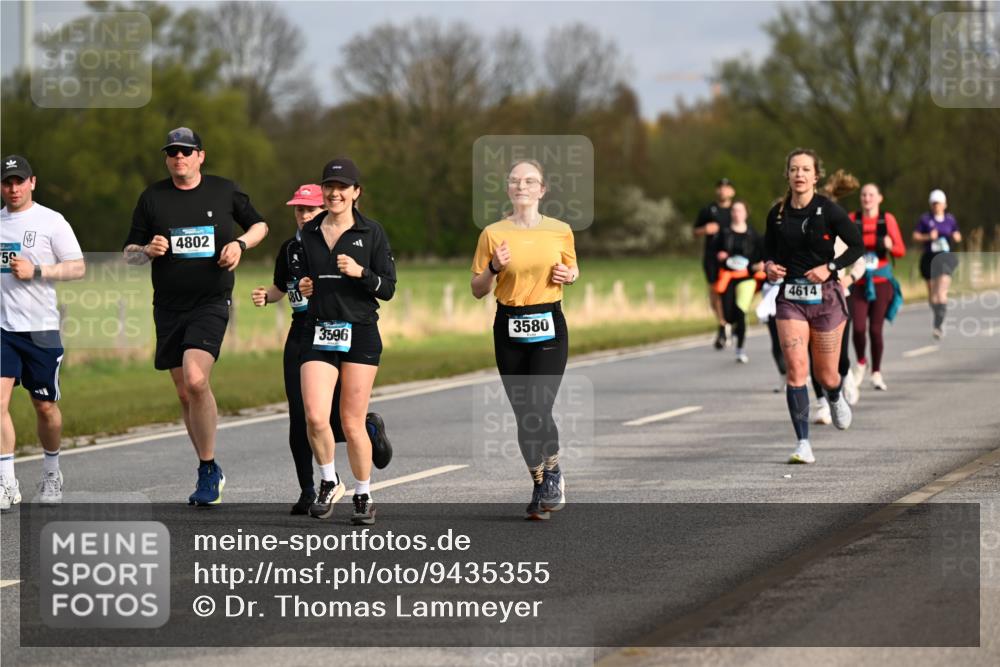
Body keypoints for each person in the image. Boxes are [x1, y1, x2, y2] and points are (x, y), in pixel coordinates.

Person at [122, 128, 268, 505]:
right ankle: (210, 466)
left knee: (196, 379)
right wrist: (147, 249)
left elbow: (260, 225)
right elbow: (129, 253)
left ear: (200, 156)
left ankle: (206, 467)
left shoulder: (223, 190)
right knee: (185, 392)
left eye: (186, 151)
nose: (179, 158)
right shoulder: (152, 197)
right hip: (168, 307)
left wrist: (238, 245)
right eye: (172, 152)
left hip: (211, 302)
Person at [251, 184, 392, 515]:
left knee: (344, 416)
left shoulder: (345, 237)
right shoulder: (290, 249)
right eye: (299, 210)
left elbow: (379, 284)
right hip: (305, 331)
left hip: (347, 328)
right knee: (304, 414)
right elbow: (283, 286)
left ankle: (368, 438)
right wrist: (268, 296)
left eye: (310, 209)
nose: (304, 216)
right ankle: (310, 488)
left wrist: (346, 278)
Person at [471, 159, 578, 520]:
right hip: (509, 325)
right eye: (515, 181)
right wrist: (493, 268)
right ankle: (539, 483)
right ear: (508, 188)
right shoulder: (492, 233)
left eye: (530, 181)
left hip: (549, 322)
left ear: (542, 189)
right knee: (523, 413)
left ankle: (554, 472)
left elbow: (572, 268)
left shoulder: (560, 230)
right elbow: (477, 289)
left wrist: (571, 274)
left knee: (538, 405)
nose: (522, 186)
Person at [295, 158, 396, 524]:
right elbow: (306, 279)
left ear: (356, 192)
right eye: (329, 186)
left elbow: (388, 288)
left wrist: (361, 273)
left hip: (360, 331)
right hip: (319, 329)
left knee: (351, 421)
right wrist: (305, 286)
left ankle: (364, 495)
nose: (334, 193)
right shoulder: (308, 232)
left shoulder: (372, 233)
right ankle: (326, 481)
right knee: (314, 416)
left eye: (342, 187)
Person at [764, 149, 864, 465]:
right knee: (797, 371)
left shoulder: (829, 210)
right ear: (788, 175)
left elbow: (857, 245)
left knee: (826, 374)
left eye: (806, 169)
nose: (799, 174)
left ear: (816, 176)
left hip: (827, 299)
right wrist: (769, 266)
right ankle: (802, 443)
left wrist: (830, 267)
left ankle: (834, 395)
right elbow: (768, 250)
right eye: (794, 169)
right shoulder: (777, 213)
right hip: (791, 298)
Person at [1, 155, 85, 510]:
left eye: (20, 181)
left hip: (41, 331)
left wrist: (37, 271)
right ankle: (6, 482)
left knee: (45, 406)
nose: (14, 188)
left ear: (32, 183)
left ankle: (52, 470)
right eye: (7, 182)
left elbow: (77, 267)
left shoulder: (52, 221)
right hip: (3, 328)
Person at [849, 183, 905, 391]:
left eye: (871, 195)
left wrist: (891, 245)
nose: (867, 198)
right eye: (863, 195)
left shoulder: (887, 220)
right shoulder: (852, 219)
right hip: (859, 280)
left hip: (881, 282)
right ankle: (861, 362)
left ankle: (876, 373)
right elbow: (838, 244)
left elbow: (901, 251)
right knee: (858, 328)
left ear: (879, 198)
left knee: (875, 329)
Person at [710, 199, 763, 363]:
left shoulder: (753, 234)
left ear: (746, 213)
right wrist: (720, 255)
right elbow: (714, 252)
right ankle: (732, 328)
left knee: (741, 310)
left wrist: (757, 264)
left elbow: (761, 253)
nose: (737, 213)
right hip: (728, 275)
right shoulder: (724, 233)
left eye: (740, 210)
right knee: (728, 314)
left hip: (747, 277)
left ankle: (740, 348)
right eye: (734, 210)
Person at [693, 178, 735, 349]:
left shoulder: (736, 211)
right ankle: (723, 324)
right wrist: (704, 230)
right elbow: (695, 231)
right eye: (720, 188)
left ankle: (731, 322)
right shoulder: (708, 210)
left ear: (732, 191)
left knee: (730, 294)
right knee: (714, 291)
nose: (722, 191)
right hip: (711, 257)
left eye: (726, 188)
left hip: (733, 259)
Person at [914, 189, 961, 340]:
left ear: (945, 204)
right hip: (929, 258)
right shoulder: (925, 219)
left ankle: (938, 326)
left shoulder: (950, 219)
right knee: (932, 296)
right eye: (934, 204)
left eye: (939, 203)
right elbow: (915, 235)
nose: (936, 206)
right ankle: (938, 316)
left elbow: (957, 235)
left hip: (945, 258)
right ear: (931, 205)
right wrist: (928, 236)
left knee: (941, 292)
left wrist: (955, 236)